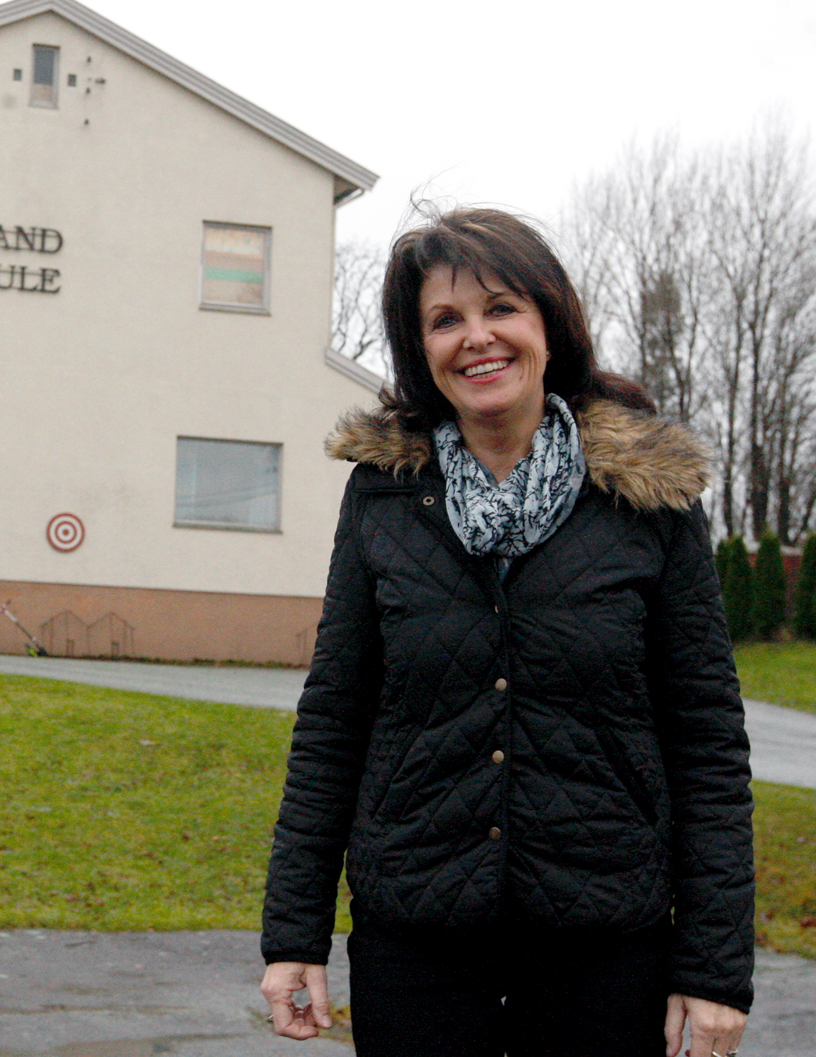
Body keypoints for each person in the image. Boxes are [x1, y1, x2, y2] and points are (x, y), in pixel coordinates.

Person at [259, 208, 752, 1057]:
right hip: (417, 945)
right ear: (421, 349)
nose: (476, 338)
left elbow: (706, 741)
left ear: (549, 324)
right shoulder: (383, 495)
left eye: (501, 308)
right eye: (445, 319)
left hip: (605, 950)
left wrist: (713, 968)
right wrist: (293, 933)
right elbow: (334, 720)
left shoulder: (647, 500)